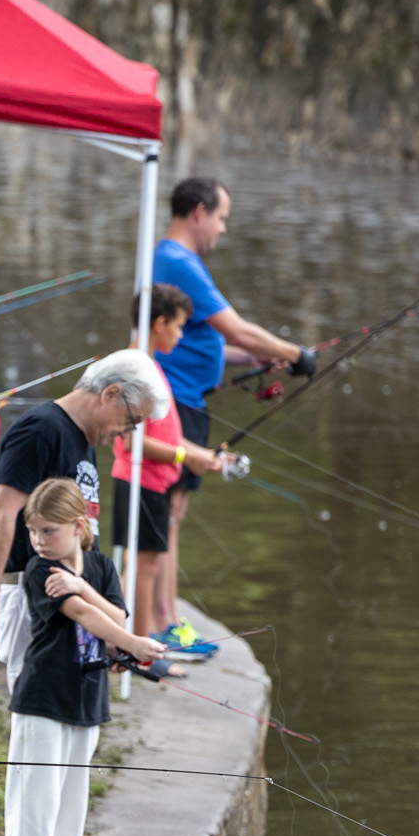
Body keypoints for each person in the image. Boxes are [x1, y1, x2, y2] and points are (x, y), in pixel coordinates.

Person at [151, 176, 311, 657]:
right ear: (198, 211)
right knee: (170, 512)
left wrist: (257, 361)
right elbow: (238, 329)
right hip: (177, 400)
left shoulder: (175, 260)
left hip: (186, 398)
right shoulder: (180, 262)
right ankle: (165, 622)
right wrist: (296, 354)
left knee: (172, 511)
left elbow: (210, 341)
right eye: (221, 218)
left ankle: (165, 618)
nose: (222, 229)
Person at [4, 480, 166, 836]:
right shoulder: (40, 570)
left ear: (79, 526)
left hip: (86, 700)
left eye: (48, 530)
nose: (38, 540)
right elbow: (80, 612)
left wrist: (84, 586)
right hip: (43, 698)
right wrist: (133, 644)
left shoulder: (99, 566)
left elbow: (117, 615)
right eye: (33, 530)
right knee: (37, 804)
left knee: (70, 805)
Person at [0, 347, 172, 689]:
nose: (127, 432)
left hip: (74, 600)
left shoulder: (83, 439)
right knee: (38, 710)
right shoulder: (41, 429)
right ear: (110, 393)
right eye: (131, 420)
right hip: (37, 601)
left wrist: (107, 627)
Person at [111, 288, 240, 642]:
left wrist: (203, 455)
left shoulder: (151, 365)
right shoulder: (136, 368)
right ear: (159, 323)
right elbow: (131, 440)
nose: (181, 335)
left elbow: (165, 435)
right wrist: (186, 457)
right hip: (141, 480)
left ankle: (127, 641)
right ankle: (138, 647)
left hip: (153, 482)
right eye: (179, 327)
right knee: (142, 567)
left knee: (141, 566)